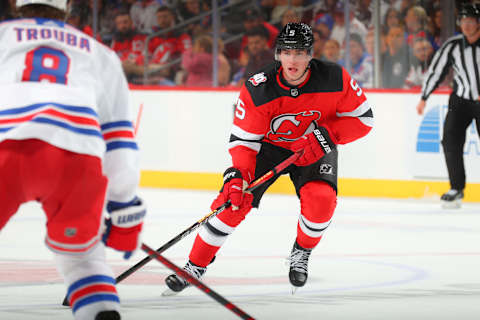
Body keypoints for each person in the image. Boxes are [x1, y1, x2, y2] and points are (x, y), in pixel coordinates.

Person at [163, 22, 373, 294]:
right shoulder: (259, 87)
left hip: (316, 145)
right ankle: (194, 266)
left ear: (310, 54)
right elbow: (244, 142)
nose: (293, 59)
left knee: (321, 201)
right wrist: (238, 175)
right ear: (278, 55)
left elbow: (363, 119)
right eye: (287, 52)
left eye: (299, 52)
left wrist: (326, 137)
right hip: (267, 149)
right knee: (233, 203)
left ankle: (302, 252)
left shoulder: (334, 78)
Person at [0, 1, 146, 320]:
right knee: (83, 259)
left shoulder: (3, 36)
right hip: (78, 159)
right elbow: (119, 136)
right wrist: (123, 202)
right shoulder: (100, 53)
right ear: (68, 6)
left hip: (8, 148)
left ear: (14, 3)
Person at [416, 3, 480, 209]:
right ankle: (456, 188)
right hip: (461, 100)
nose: (467, 25)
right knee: (450, 141)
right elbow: (436, 71)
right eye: (463, 21)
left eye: (471, 21)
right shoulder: (453, 45)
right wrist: (424, 96)